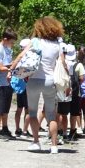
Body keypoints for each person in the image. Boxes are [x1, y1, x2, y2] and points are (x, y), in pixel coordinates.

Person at [22, 16, 66, 153]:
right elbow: (63, 64)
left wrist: (12, 68)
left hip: (34, 79)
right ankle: (54, 146)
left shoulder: (35, 41)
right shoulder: (58, 45)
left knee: (33, 113)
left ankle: (36, 141)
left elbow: (23, 55)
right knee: (51, 115)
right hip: (50, 81)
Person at [0, 30, 17, 139]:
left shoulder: (8, 49)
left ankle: (4, 128)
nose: (12, 44)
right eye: (11, 42)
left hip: (8, 83)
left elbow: (8, 64)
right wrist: (13, 67)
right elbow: (0, 67)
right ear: (5, 39)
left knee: (6, 108)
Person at [10, 38, 31, 137]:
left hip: (19, 86)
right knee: (28, 110)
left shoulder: (19, 59)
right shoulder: (30, 59)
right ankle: (25, 131)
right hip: (27, 86)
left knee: (19, 108)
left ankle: (17, 128)